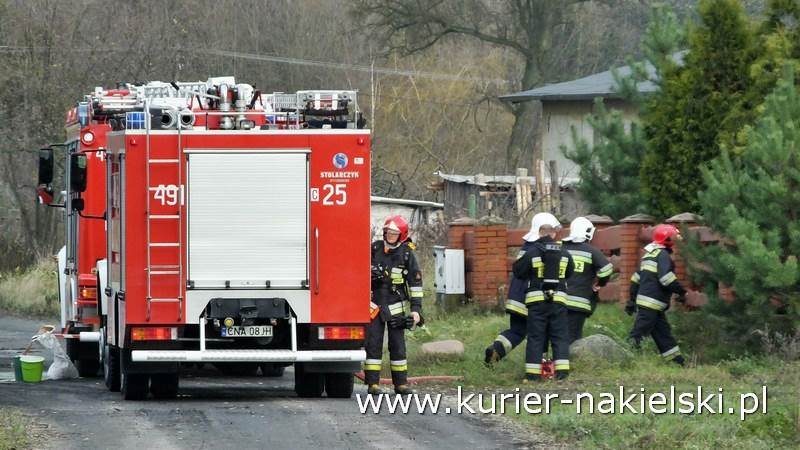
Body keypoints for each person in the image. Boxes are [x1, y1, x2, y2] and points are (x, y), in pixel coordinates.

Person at [484, 213, 561, 366]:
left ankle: (496, 349)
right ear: (544, 231)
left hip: (516, 299)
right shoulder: (542, 249)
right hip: (531, 300)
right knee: (540, 332)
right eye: (553, 231)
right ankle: (540, 363)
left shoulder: (526, 247)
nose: (555, 235)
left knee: (517, 331)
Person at [365, 215, 423, 395]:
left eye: (394, 234)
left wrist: (416, 310)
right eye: (388, 232)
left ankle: (401, 384)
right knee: (373, 343)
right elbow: (357, 270)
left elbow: (415, 284)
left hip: (395, 304)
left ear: (402, 235)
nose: (390, 236)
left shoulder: (407, 254)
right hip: (373, 305)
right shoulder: (374, 248)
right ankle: (373, 384)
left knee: (397, 345)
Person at [513, 219, 574, 381]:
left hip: (536, 302)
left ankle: (533, 375)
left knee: (536, 337)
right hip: (559, 301)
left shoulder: (532, 252)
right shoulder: (565, 253)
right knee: (560, 336)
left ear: (539, 233)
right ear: (554, 234)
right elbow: (569, 273)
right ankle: (562, 374)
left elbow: (518, 271)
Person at [626, 224, 687, 366]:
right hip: (652, 304)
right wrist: (681, 291)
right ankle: (623, 360)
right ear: (668, 239)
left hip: (651, 305)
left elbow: (636, 278)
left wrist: (632, 300)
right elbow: (666, 278)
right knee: (637, 334)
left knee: (663, 334)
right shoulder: (663, 255)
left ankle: (677, 362)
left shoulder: (649, 254)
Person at [562, 217, 614, 343]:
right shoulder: (591, 251)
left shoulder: (560, 248)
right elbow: (607, 269)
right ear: (588, 232)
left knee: (558, 334)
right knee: (573, 337)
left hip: (558, 300)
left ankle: (554, 360)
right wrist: (599, 283)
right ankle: (571, 361)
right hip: (579, 303)